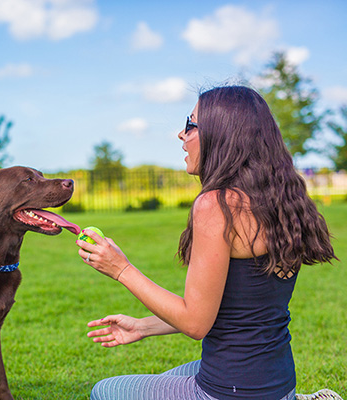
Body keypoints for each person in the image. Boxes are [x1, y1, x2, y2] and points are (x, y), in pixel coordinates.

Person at [76, 86, 341, 400]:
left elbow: (195, 322)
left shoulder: (217, 205)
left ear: (221, 134)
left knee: (106, 391)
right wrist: (143, 327)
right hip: (277, 385)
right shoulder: (278, 198)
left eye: (191, 125)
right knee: (174, 375)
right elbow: (230, 309)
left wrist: (121, 269)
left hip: (231, 392)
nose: (181, 134)